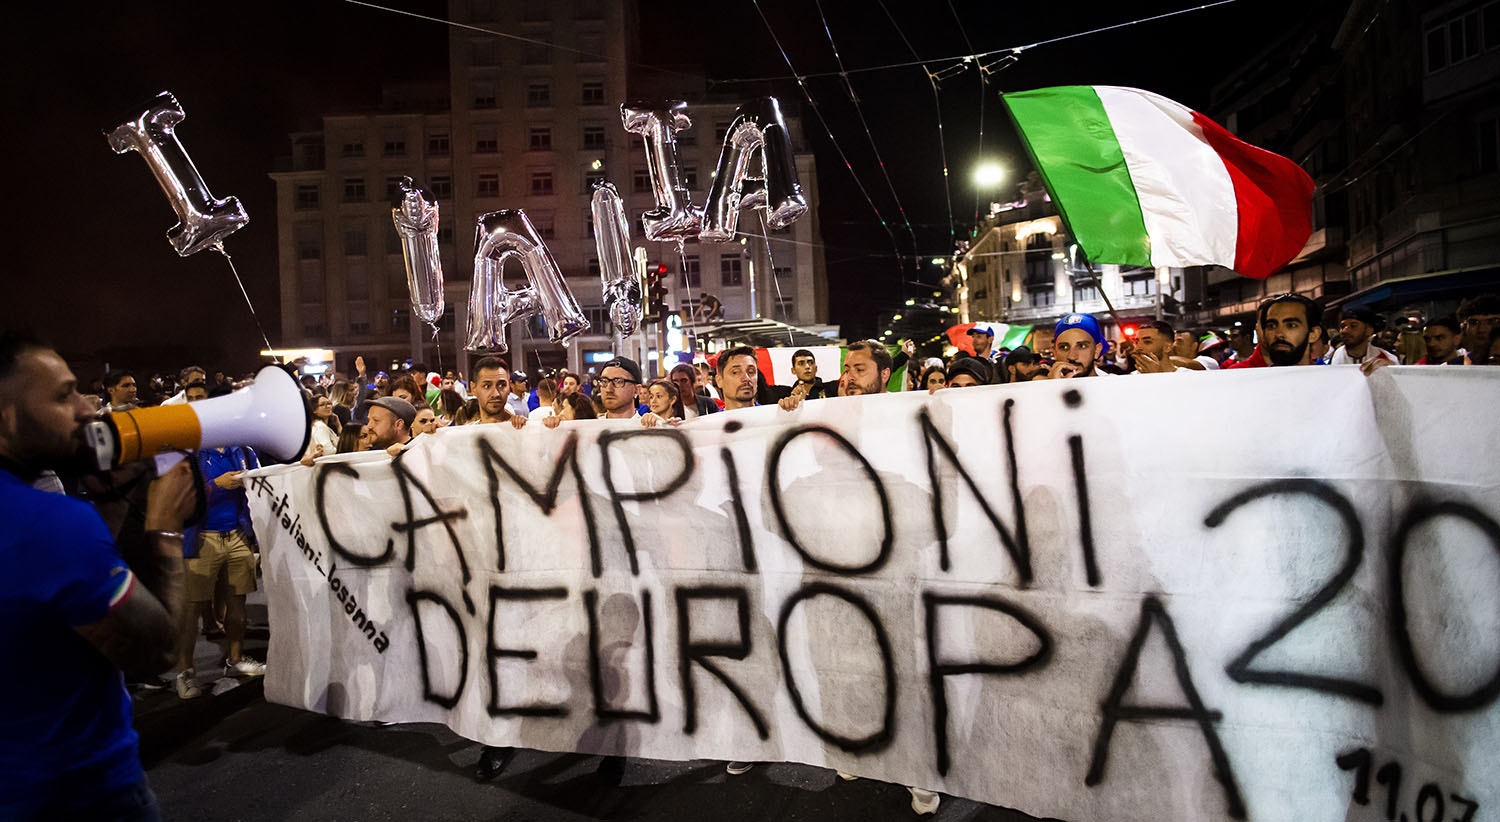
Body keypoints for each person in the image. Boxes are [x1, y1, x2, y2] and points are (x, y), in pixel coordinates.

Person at [1, 331, 198, 818]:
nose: (87, 411)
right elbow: (157, 650)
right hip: (80, 792)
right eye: (64, 395)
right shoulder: (52, 525)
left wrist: (108, 509)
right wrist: (166, 534)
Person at [175, 425, 266, 698]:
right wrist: (216, 485)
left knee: (238, 602)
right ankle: (185, 672)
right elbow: (179, 498)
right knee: (192, 607)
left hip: (237, 536)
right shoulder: (189, 455)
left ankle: (235, 659)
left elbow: (264, 484)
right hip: (202, 538)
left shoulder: (245, 453)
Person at [1226, 294, 1325, 369]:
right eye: (1271, 326)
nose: (1279, 334)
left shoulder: (1333, 380)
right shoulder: (1243, 379)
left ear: (1314, 334)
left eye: (1291, 325)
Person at [1041, 313, 1109, 379]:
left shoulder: (1115, 386)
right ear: (1055, 352)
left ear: (1097, 350)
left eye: (1082, 346)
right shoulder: (1040, 389)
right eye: (1064, 347)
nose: (1072, 357)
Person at [1328, 307, 1396, 367]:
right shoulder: (1332, 360)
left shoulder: (1386, 359)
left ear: (1369, 331)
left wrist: (1388, 370)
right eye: (1342, 326)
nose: (1344, 331)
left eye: (1353, 326)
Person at [1457, 294, 1500, 365]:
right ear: (1465, 327)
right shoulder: (1452, 368)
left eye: (1491, 322)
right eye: (1474, 322)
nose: (1481, 329)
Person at [715, 347, 761, 411]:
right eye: (735, 372)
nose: (746, 378)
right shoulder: (713, 420)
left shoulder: (773, 417)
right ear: (719, 380)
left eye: (751, 372)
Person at [302, 393, 341, 464]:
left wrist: (338, 426)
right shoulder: (320, 427)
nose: (328, 406)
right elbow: (328, 451)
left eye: (329, 403)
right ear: (314, 410)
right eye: (322, 405)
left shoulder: (321, 426)